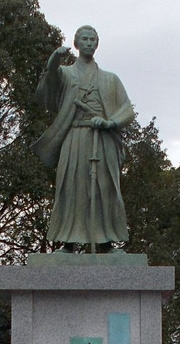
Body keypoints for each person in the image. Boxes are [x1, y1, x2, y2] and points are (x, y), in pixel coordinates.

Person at [32, 26, 135, 252]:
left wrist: (110, 122)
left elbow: (127, 110)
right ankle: (68, 242)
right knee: (71, 186)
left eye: (92, 39)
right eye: (84, 39)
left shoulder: (110, 79)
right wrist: (53, 61)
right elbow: (49, 86)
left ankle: (106, 242)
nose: (88, 43)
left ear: (97, 44)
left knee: (104, 188)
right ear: (76, 44)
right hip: (75, 137)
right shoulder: (67, 73)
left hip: (103, 139)